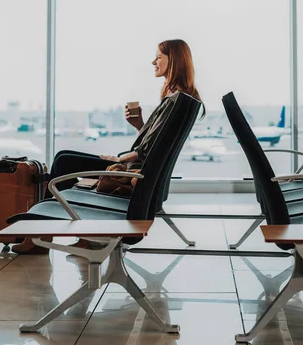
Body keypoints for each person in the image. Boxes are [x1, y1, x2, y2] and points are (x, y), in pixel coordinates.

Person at [12, 39, 204, 254]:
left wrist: (118, 160)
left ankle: (40, 233)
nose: (154, 61)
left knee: (64, 160)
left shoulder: (173, 100)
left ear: (174, 60)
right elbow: (154, 147)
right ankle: (78, 236)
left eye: (159, 57)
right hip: (140, 172)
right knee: (64, 157)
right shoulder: (181, 100)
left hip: (134, 172)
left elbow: (147, 151)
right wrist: (139, 125)